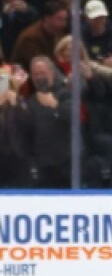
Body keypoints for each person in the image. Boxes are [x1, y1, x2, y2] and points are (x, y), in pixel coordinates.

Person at [20, 55, 71, 188]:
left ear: (52, 73)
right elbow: (26, 133)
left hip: (66, 163)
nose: (39, 77)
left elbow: (75, 120)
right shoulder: (30, 102)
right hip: (42, 165)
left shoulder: (66, 95)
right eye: (35, 74)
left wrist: (55, 106)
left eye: (42, 73)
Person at [12, 0, 68, 73]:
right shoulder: (30, 38)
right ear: (47, 18)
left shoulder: (58, 32)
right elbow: (40, 67)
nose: (64, 24)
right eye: (59, 19)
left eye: (65, 20)